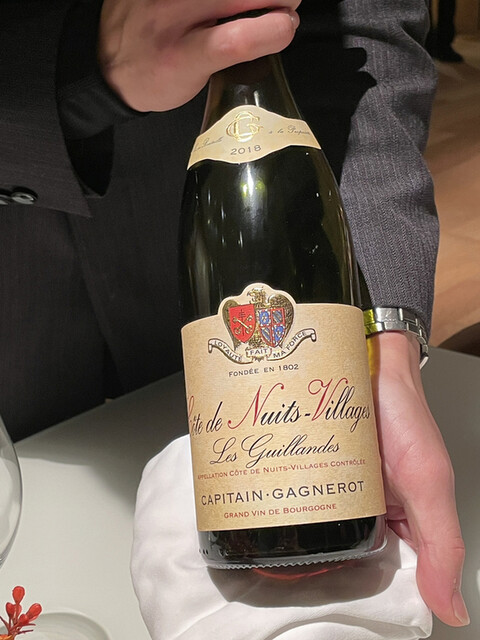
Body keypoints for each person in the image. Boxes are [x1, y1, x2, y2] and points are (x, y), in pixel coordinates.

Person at [0, 0, 468, 629]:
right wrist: (76, 64)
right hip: (15, 292)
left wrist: (383, 346)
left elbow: (366, 24)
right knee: (35, 541)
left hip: (241, 290)